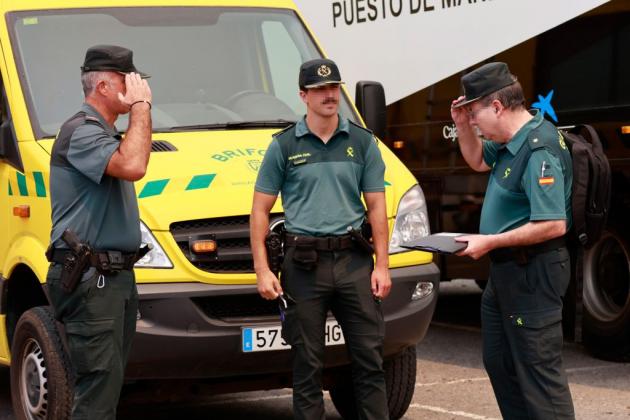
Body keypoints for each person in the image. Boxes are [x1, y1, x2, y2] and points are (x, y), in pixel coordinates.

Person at [250, 58, 391, 420]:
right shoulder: (283, 146)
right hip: (303, 266)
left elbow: (376, 208)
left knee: (370, 361)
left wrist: (383, 266)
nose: (330, 95)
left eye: (334, 88)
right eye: (320, 89)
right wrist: (262, 270)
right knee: (307, 367)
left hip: (354, 265)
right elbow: (260, 212)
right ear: (303, 95)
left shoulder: (362, 143)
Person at [451, 62, 575, 419]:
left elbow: (553, 224)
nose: (473, 119)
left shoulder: (538, 149)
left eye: (474, 112)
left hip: (532, 273)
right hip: (506, 273)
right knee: (501, 363)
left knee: (539, 377)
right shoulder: (507, 142)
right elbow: (475, 159)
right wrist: (462, 126)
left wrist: (490, 241)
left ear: (497, 107)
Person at [46, 45, 152, 419]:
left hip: (111, 278)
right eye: (128, 80)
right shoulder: (81, 131)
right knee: (96, 395)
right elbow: (134, 164)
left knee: (105, 391)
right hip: (93, 279)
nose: (137, 87)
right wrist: (141, 108)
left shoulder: (102, 134)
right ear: (105, 85)